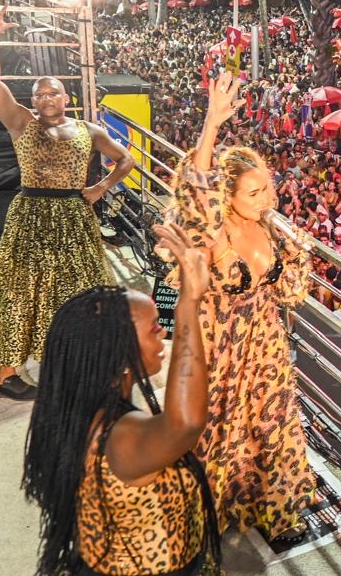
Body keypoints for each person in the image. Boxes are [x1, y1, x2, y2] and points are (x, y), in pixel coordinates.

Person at [166, 71, 316, 541]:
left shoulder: (269, 228)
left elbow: (290, 293)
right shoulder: (211, 230)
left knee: (273, 425)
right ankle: (207, 514)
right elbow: (196, 188)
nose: (268, 198)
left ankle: (277, 512)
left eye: (268, 188)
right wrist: (212, 124)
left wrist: (297, 252)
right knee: (217, 430)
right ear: (226, 197)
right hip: (218, 347)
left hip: (265, 344)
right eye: (254, 193)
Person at [22, 224, 220, 575]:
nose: (163, 333)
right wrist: (189, 303)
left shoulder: (78, 408)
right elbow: (186, 423)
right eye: (154, 328)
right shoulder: (120, 437)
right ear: (119, 354)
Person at [0, 2, 135, 399]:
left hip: (74, 216)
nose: (47, 98)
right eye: (40, 94)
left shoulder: (89, 130)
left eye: (53, 92)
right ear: (32, 100)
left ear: (66, 97)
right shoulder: (21, 123)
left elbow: (126, 159)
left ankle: (80, 359)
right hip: (30, 215)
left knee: (86, 289)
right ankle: (5, 377)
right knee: (21, 292)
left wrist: (102, 187)